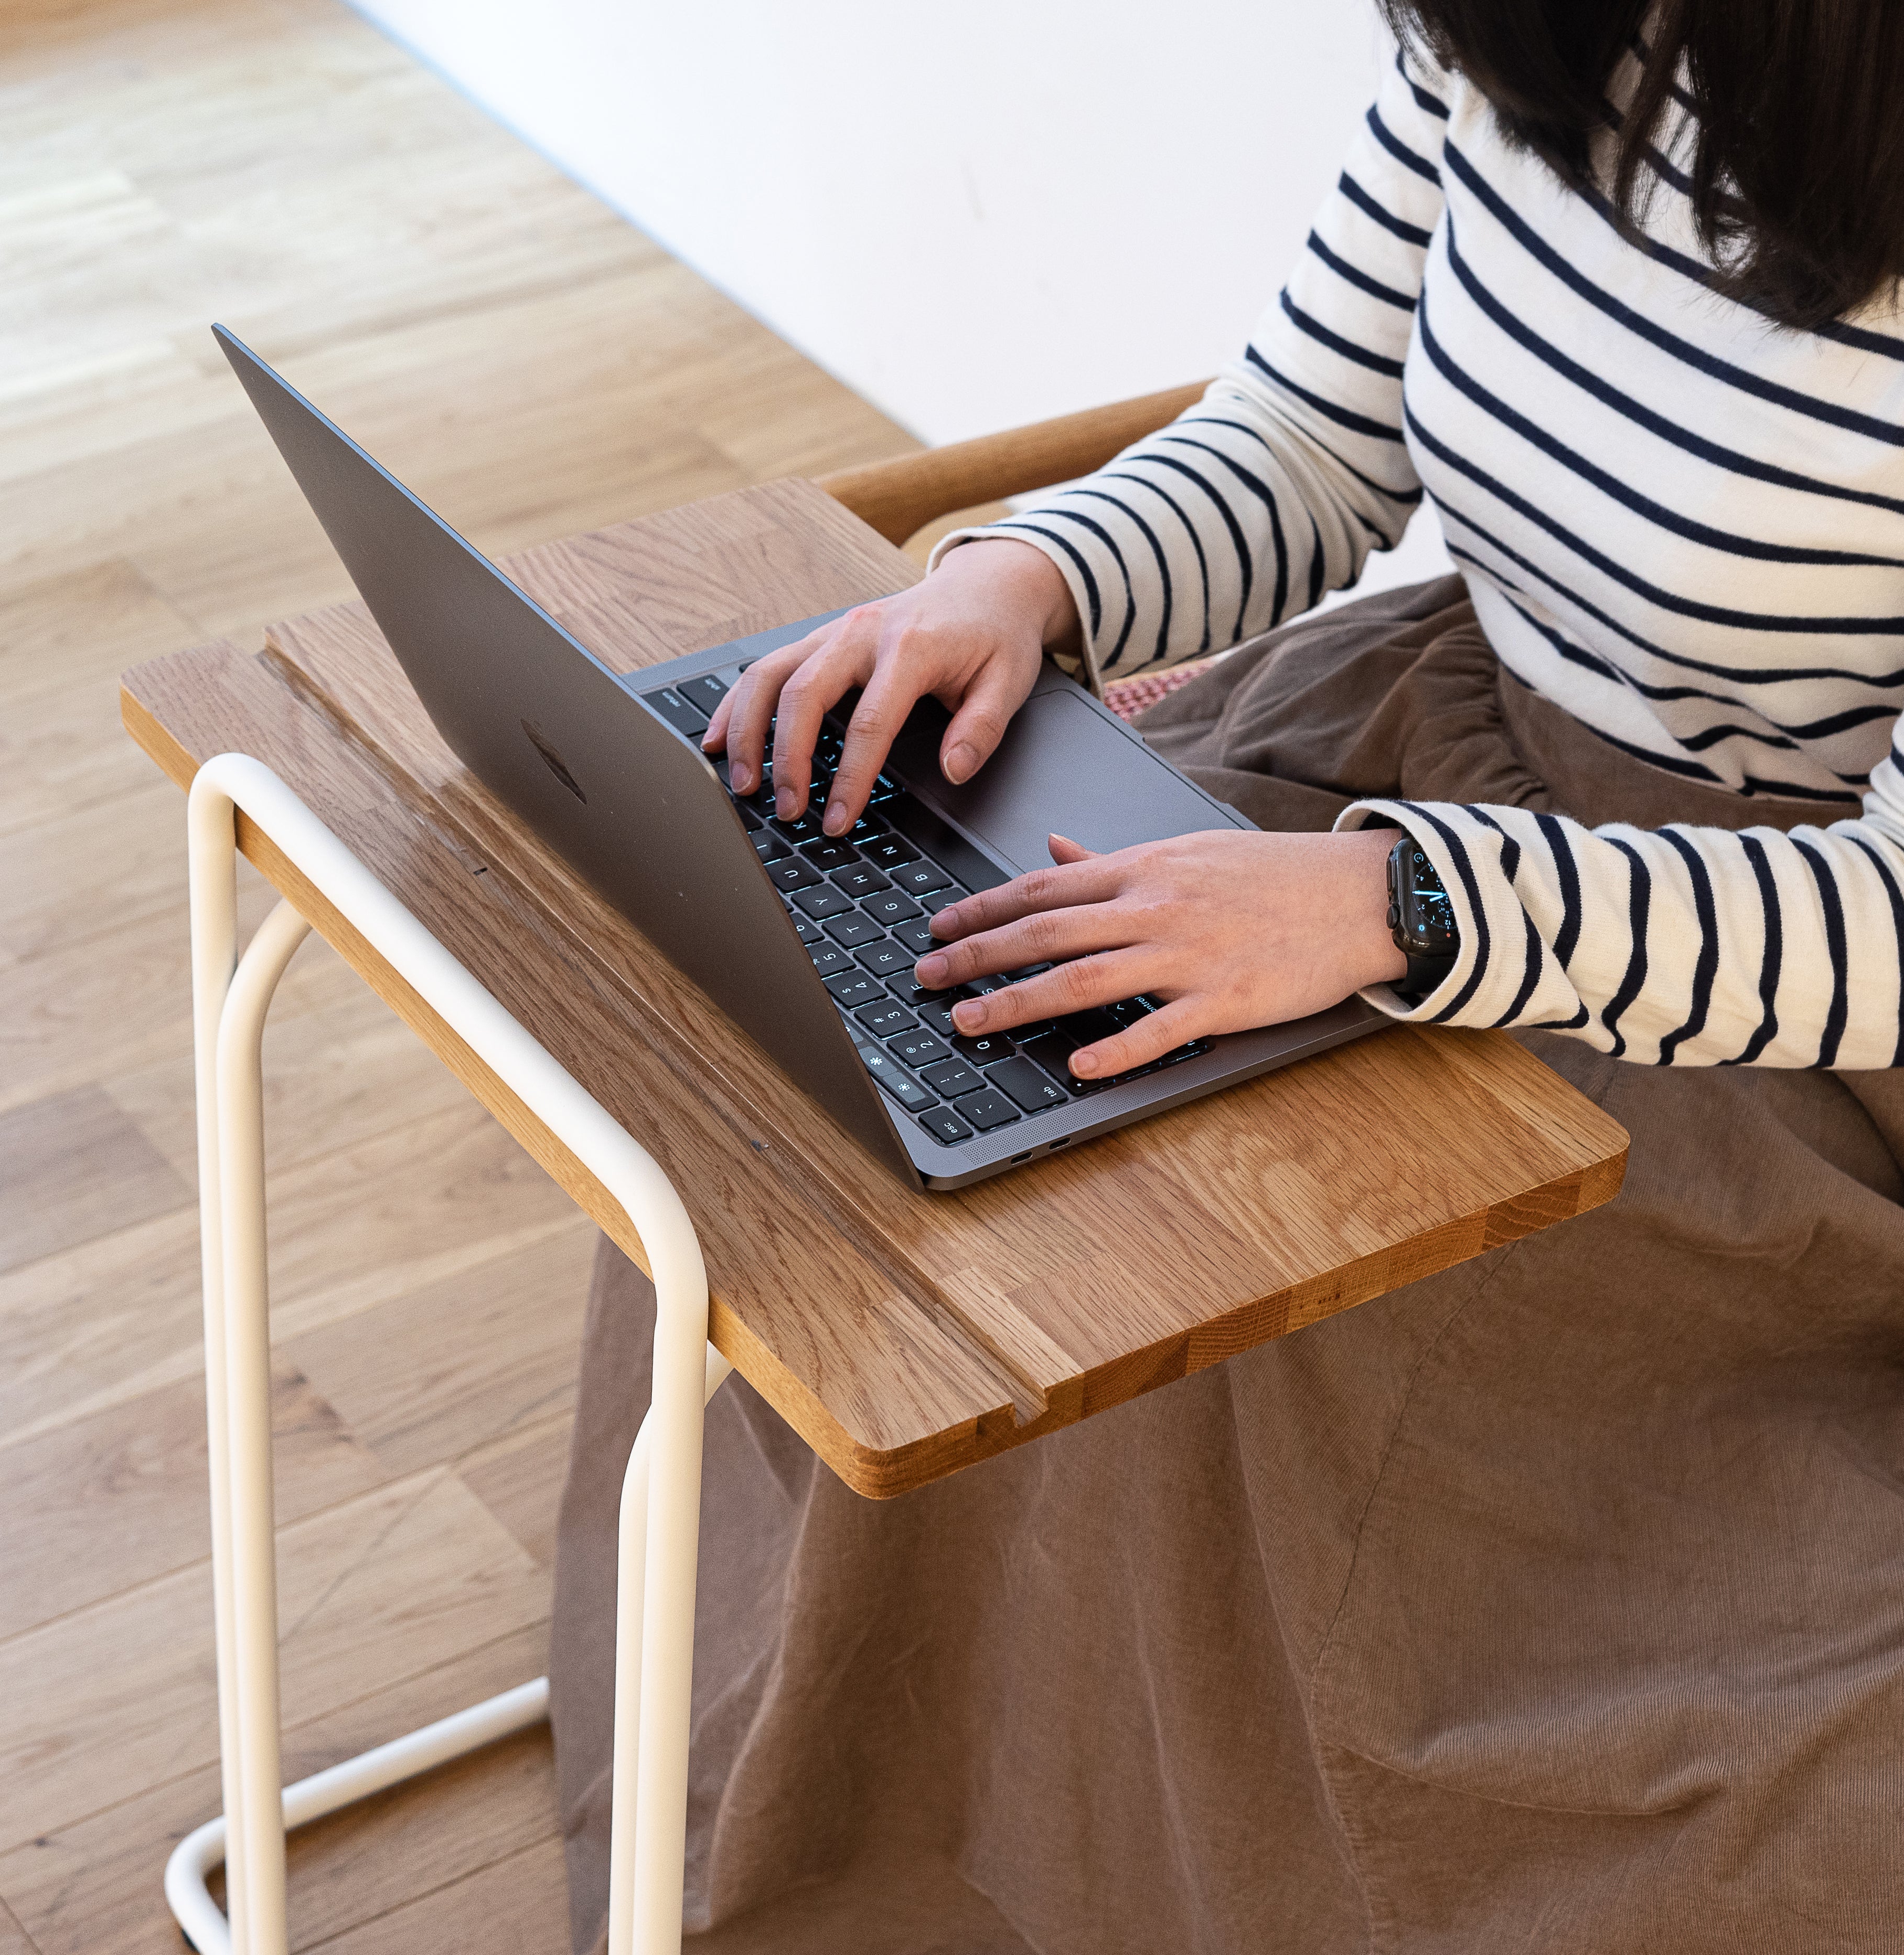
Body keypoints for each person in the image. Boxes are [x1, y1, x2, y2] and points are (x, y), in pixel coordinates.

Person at [550, 4, 1904, 1948]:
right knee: (853, 1073)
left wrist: (1391, 914)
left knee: (1284, 1408)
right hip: (1399, 771)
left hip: (1738, 981)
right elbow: (1304, 437)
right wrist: (1019, 584)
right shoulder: (1534, 37)